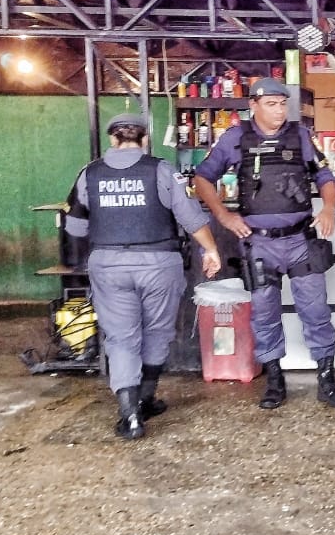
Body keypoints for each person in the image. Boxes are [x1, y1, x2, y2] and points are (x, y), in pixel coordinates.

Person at [194, 77, 335, 410]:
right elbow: (202, 178)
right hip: (259, 244)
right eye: (271, 104)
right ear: (253, 105)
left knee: (316, 311)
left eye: (282, 104)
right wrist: (224, 216)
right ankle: (275, 381)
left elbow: (325, 176)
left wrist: (328, 208)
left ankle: (327, 380)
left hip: (300, 240)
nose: (279, 111)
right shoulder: (236, 137)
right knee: (264, 314)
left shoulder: (300, 135)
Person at [65, 112, 222, 440]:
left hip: (109, 265)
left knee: (121, 338)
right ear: (145, 139)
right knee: (157, 332)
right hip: (159, 264)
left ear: (112, 139)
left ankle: (130, 416)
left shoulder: (89, 173)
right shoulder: (161, 170)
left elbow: (75, 227)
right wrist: (211, 250)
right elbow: (192, 217)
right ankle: (146, 400)